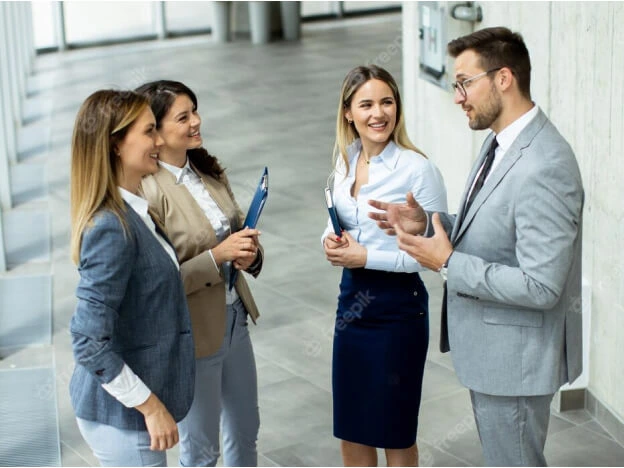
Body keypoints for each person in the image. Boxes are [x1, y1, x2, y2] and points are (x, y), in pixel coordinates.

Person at [369, 27, 584, 466]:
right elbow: (493, 229)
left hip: (515, 365)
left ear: (503, 78)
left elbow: (542, 285)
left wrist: (448, 262)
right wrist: (429, 223)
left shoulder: (545, 164)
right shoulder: (499, 141)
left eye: (465, 83)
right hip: (494, 356)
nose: (457, 96)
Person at [321, 65, 447, 467]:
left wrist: (366, 257)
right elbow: (334, 218)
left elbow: (433, 255)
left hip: (398, 311)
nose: (379, 113)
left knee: (395, 431)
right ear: (348, 113)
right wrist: (328, 240)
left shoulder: (418, 169)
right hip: (352, 303)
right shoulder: (346, 161)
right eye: (367, 104)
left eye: (387, 102)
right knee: (353, 429)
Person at [136, 80, 263, 468]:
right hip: (192, 335)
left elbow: (238, 228)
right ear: (154, 131)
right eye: (183, 116)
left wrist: (250, 255)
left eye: (195, 111)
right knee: (202, 449)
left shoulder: (206, 170)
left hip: (234, 318)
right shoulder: (146, 191)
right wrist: (216, 257)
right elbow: (156, 283)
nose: (196, 121)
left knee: (246, 429)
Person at [68, 89, 195, 467]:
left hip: (130, 414)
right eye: (149, 132)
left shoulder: (136, 209)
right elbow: (88, 341)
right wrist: (151, 407)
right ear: (115, 146)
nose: (159, 141)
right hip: (124, 419)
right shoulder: (111, 227)